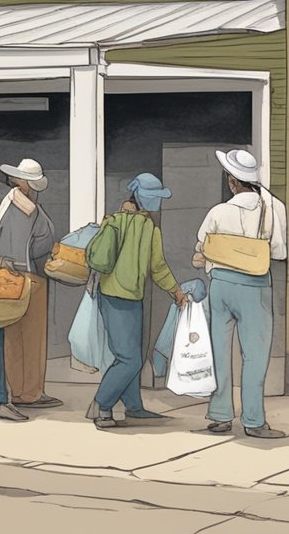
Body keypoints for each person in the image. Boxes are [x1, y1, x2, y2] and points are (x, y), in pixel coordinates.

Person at [194, 149, 289, 439]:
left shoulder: (218, 211)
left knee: (220, 353)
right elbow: (279, 252)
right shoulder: (273, 208)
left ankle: (221, 415)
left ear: (231, 181)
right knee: (255, 356)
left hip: (220, 285)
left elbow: (201, 246)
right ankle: (253, 420)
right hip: (255, 285)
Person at [89, 174, 188, 429]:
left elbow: (156, 266)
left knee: (132, 354)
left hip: (125, 296)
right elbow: (158, 267)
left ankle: (133, 406)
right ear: (143, 197)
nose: (158, 202)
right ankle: (101, 405)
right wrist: (175, 291)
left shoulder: (125, 222)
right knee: (129, 358)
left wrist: (175, 290)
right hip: (118, 297)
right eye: (155, 197)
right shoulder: (138, 225)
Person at [0, 158, 58, 419]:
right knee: (30, 337)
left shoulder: (10, 203)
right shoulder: (24, 208)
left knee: (14, 337)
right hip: (28, 276)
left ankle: (21, 389)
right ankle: (29, 392)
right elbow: (21, 246)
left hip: (12, 276)